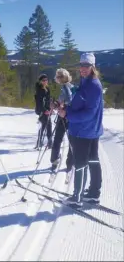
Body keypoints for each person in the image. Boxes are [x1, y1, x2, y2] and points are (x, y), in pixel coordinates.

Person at [58, 53, 103, 207]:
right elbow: (81, 98)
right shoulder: (86, 82)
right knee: (92, 160)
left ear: (93, 67)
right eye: (81, 65)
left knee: (81, 163)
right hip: (90, 130)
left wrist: (67, 114)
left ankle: (77, 198)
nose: (83, 69)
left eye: (86, 66)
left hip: (84, 130)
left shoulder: (94, 86)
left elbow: (89, 113)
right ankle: (93, 193)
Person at [50, 68, 74, 174]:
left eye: (58, 76)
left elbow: (69, 101)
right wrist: (57, 104)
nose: (56, 78)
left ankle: (54, 160)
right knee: (70, 140)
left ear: (61, 78)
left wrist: (61, 107)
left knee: (58, 139)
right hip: (70, 116)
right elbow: (63, 101)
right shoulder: (70, 86)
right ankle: (70, 163)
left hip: (65, 116)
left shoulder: (66, 87)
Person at [34, 74, 53, 149]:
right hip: (42, 111)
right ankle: (40, 143)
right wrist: (44, 110)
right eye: (43, 80)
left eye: (46, 80)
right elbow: (39, 102)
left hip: (47, 110)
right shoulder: (39, 90)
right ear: (40, 81)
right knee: (43, 126)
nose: (45, 81)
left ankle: (49, 143)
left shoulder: (47, 89)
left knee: (48, 126)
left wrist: (50, 108)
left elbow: (48, 100)